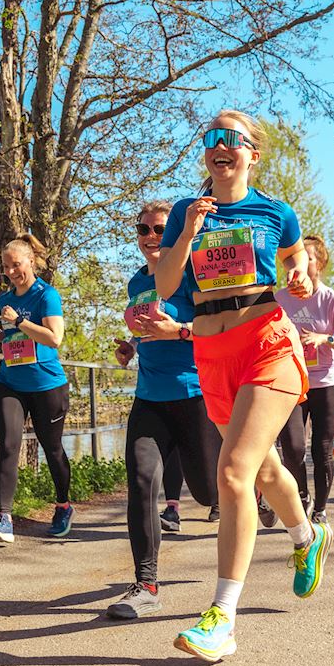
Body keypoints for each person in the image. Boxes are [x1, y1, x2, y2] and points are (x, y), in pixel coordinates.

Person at [157, 110, 330, 661]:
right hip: (210, 352)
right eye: (212, 139)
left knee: (233, 472)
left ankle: (222, 619)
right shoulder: (187, 210)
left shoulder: (276, 212)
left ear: (253, 154)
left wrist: (298, 273)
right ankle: (307, 538)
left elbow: (294, 256)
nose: (220, 147)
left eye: (233, 139)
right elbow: (164, 283)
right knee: (265, 468)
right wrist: (185, 232)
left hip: (265, 342)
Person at [105, 202, 223, 619]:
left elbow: (221, 329)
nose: (150, 236)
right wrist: (131, 346)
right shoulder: (137, 281)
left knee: (210, 492)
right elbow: (146, 329)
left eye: (158, 229)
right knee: (140, 482)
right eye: (142, 229)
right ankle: (145, 584)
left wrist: (182, 331)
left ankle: (253, 489)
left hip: (195, 395)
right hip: (149, 397)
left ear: (173, 234)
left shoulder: (195, 274)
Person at [0, 234, 74, 542]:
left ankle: (62, 505)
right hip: (11, 382)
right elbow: (12, 338)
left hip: (46, 383)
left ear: (31, 262)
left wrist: (18, 321)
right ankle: (4, 519)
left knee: (53, 448)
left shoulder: (47, 295)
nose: (10, 271)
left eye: (15, 265)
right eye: (5, 266)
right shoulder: (5, 298)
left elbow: (53, 338)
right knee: (7, 446)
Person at [277, 234, 334, 525]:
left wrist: (326, 338)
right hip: (291, 381)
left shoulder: (331, 299)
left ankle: (320, 508)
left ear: (319, 263)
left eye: (306, 258)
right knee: (292, 446)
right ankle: (301, 494)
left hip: (326, 381)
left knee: (322, 449)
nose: (297, 264)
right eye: (291, 260)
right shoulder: (279, 298)